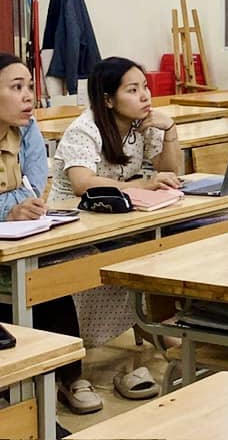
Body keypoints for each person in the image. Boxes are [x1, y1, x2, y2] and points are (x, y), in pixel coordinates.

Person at [48, 57, 183, 407]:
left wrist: (170, 130)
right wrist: (142, 184)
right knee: (113, 261)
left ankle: (158, 328)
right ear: (108, 99)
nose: (145, 96)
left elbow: (171, 172)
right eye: (133, 90)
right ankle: (71, 372)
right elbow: (82, 183)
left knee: (166, 245)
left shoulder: (142, 126)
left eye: (145, 87)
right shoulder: (86, 128)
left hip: (117, 221)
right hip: (74, 225)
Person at [0, 55, 100, 415]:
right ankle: (23, 395)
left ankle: (68, 377)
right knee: (32, 284)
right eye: (16, 87)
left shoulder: (26, 127)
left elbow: (34, 186)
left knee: (50, 279)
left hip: (22, 238)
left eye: (30, 86)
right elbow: (18, 199)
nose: (28, 96)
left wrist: (15, 208)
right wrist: (8, 210)